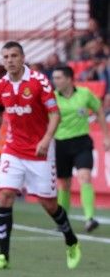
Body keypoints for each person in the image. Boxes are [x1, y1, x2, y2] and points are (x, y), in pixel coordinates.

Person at [0, 41, 81, 270]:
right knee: (5, 195)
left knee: (48, 204)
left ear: (23, 57)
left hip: (40, 152)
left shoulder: (39, 82)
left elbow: (55, 115)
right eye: (6, 56)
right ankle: (3, 256)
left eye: (14, 55)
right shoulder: (1, 85)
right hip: (13, 149)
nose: (10, 60)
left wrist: (46, 140)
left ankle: (71, 241)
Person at [52, 65, 110, 232]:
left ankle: (89, 218)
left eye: (58, 78)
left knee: (85, 177)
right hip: (61, 143)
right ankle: (62, 221)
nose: (55, 81)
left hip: (82, 142)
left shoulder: (85, 94)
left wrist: (106, 137)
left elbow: (99, 112)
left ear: (69, 79)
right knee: (64, 184)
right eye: (54, 78)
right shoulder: (52, 98)